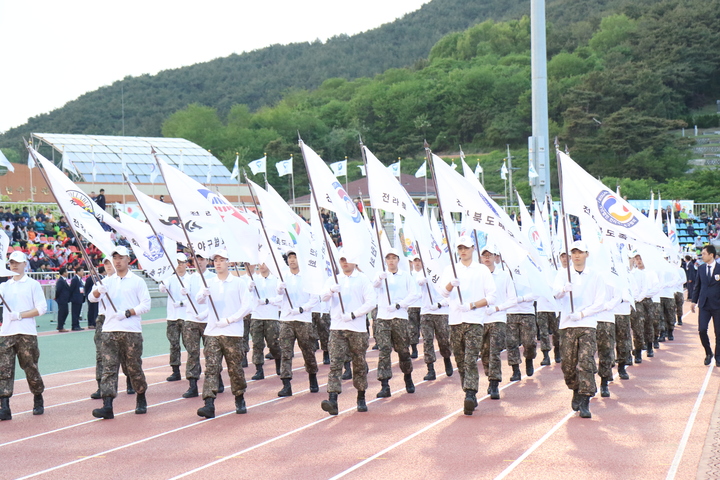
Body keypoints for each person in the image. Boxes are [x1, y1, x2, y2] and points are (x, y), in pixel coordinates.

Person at [89, 246, 151, 419]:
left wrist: (128, 312)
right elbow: (91, 298)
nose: (117, 261)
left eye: (121, 258)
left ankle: (141, 397)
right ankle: (107, 405)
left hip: (131, 331)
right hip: (109, 330)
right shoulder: (106, 281)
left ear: (128, 260)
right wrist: (97, 290)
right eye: (115, 258)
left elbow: (146, 305)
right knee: (109, 369)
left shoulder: (137, 281)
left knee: (133, 368)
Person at [195, 249, 257, 418]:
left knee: (235, 369)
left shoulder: (238, 283)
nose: (218, 263)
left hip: (233, 332)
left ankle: (239, 397)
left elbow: (247, 306)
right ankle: (209, 403)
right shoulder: (209, 282)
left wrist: (230, 320)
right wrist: (202, 294)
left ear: (229, 263)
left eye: (222, 260)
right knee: (211, 368)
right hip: (213, 331)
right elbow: (199, 300)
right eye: (216, 260)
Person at [440, 235, 496, 416]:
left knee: (471, 358)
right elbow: (442, 292)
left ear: (473, 248)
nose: (463, 251)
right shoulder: (451, 269)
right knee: (461, 360)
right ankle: (468, 389)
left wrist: (472, 305)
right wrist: (450, 284)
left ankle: (471, 393)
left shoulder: (482, 270)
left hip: (474, 320)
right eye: (460, 248)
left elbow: (492, 297)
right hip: (455, 321)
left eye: (466, 248)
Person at [319, 252, 376, 415]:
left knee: (358, 364)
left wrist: (354, 314)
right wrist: (330, 290)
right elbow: (322, 297)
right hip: (337, 328)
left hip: (357, 328)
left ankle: (361, 397)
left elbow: (371, 302)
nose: (344, 262)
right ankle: (333, 400)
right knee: (335, 363)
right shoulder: (334, 280)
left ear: (354, 261)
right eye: (342, 260)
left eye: (347, 259)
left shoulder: (362, 279)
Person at [553, 240, 604, 419]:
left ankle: (585, 399)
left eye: (580, 252)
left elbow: (600, 302)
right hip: (567, 325)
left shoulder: (595, 275)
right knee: (568, 364)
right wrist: (562, 290)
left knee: (585, 362)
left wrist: (582, 314)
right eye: (573, 252)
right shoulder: (562, 274)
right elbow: (554, 294)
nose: (576, 255)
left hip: (587, 324)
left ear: (586, 254)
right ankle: (575, 387)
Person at [0, 251, 48, 420]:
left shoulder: (32, 284)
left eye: (17, 262)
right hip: (7, 333)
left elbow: (42, 308)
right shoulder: (4, 286)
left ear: (25, 264)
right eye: (11, 262)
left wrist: (20, 315)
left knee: (30, 367)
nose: (14, 265)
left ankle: (37, 397)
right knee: (4, 370)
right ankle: (4, 406)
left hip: (26, 333)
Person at [372, 248, 420, 398]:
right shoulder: (381, 276)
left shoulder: (405, 276)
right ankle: (385, 384)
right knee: (384, 350)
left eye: (394, 258)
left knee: (403, 350)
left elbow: (415, 293)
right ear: (385, 261)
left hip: (399, 317)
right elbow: (373, 286)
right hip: (383, 318)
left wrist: (401, 304)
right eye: (388, 258)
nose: (391, 261)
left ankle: (408, 377)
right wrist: (379, 278)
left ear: (398, 260)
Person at [276, 248, 320, 397]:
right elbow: (277, 298)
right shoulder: (283, 277)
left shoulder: (308, 277)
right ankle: (286, 384)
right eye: (290, 258)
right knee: (286, 352)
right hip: (286, 319)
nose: (292, 260)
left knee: (308, 351)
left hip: (303, 319)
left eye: (294, 257)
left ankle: (312, 378)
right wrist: (279, 289)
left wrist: (302, 309)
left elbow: (314, 299)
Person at [482, 244, 517, 399]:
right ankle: (490, 377)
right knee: (484, 353)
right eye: (484, 255)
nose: (487, 258)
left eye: (490, 255)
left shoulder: (504, 275)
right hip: (480, 319)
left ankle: (494, 383)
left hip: (498, 319)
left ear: (496, 257)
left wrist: (497, 309)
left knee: (494, 351)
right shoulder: (477, 276)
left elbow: (512, 299)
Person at [181, 252, 217, 398]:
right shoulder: (188, 279)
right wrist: (183, 291)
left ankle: (216, 380)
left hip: (209, 320)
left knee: (212, 353)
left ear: (207, 261)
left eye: (202, 259)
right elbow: (183, 294)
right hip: (191, 319)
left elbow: (217, 302)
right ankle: (192, 384)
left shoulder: (214, 278)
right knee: (192, 352)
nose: (199, 262)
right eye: (196, 259)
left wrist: (206, 313)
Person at [415, 258, 452, 381]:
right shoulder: (424, 271)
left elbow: (450, 295)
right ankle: (430, 369)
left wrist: (440, 304)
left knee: (444, 340)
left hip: (441, 312)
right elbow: (418, 282)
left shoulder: (445, 272)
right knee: (427, 340)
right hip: (426, 312)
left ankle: (447, 359)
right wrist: (422, 279)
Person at [158, 253, 189, 382]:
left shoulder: (191, 279)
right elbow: (162, 289)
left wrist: (182, 303)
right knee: (174, 344)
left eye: (181, 263)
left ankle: (193, 370)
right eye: (177, 263)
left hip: (187, 317)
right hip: (173, 317)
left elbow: (196, 300)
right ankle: (175, 371)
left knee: (190, 345)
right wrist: (162, 285)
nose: (179, 266)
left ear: (186, 264)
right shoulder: (170, 278)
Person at [248, 263, 281, 380]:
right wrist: (250, 287)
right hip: (257, 316)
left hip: (271, 316)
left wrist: (268, 301)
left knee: (273, 343)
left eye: (264, 263)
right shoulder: (254, 279)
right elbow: (247, 295)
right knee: (257, 344)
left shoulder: (276, 280)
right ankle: (259, 369)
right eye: (260, 263)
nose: (261, 265)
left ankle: (278, 362)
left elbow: (280, 298)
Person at [691, 245, 720, 366]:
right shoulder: (701, 269)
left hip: (717, 305)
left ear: (711, 255)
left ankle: (718, 356)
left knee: (718, 332)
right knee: (702, 330)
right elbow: (697, 286)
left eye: (703, 254)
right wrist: (693, 301)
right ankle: (708, 352)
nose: (701, 256)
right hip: (703, 305)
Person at [54, 267, 71, 332]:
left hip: (64, 299)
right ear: (63, 273)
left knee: (65, 312)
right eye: (66, 272)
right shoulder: (60, 281)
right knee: (62, 313)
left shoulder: (63, 280)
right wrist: (57, 297)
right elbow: (58, 290)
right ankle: (60, 326)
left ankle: (61, 325)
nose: (67, 273)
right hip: (61, 299)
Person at [69, 266, 86, 331]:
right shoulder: (75, 279)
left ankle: (77, 325)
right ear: (78, 272)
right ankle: (74, 325)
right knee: (75, 313)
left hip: (80, 298)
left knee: (78, 312)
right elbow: (72, 289)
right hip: (75, 298)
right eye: (82, 271)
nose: (83, 272)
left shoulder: (80, 279)